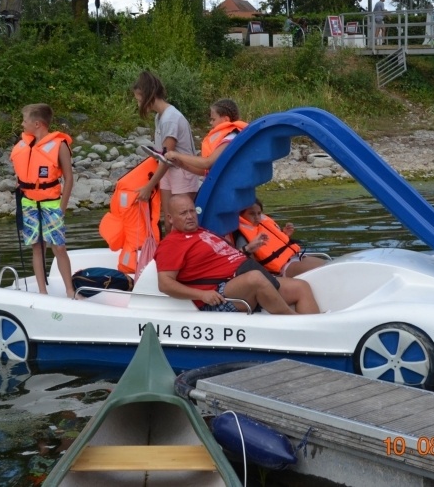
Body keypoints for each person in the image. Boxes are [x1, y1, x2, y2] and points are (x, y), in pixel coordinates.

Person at [155, 195, 320, 315]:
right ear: (170, 218)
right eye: (183, 213)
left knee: (301, 287)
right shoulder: (171, 244)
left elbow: (226, 258)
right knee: (255, 278)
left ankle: (316, 332)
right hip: (218, 293)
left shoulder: (202, 232)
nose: (190, 216)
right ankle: (295, 321)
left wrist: (248, 249)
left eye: (192, 211)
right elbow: (165, 284)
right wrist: (202, 295)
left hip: (242, 277)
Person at [11, 103, 76, 298]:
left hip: (51, 203)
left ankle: (70, 291)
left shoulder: (59, 145)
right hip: (29, 202)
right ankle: (42, 291)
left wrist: (62, 208)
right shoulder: (25, 144)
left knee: (59, 246)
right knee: (37, 246)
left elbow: (69, 178)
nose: (22, 124)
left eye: (25, 120)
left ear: (37, 124)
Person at [132, 71, 199, 233]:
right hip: (169, 173)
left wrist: (149, 186)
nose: (138, 102)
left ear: (147, 94)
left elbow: (166, 158)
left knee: (182, 222)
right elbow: (163, 155)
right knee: (169, 221)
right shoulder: (160, 117)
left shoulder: (170, 118)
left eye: (138, 98)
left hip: (182, 173)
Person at [235, 198, 326, 278]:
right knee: (323, 270)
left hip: (295, 257)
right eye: (252, 214)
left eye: (259, 213)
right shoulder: (242, 237)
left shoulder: (263, 225)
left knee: (328, 264)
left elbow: (274, 246)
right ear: (241, 215)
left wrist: (285, 234)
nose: (257, 217)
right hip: (281, 270)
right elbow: (250, 264)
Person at [164, 99, 247, 176]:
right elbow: (204, 170)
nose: (211, 123)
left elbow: (207, 163)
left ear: (226, 120)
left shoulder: (231, 138)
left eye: (213, 119)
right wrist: (180, 164)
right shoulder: (228, 136)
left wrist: (177, 155)